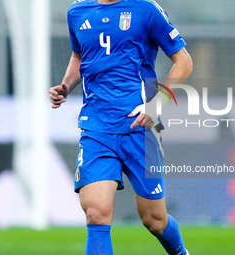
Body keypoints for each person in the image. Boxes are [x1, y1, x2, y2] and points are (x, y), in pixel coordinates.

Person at [49, 0, 193, 254]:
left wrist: (158, 104)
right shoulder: (77, 11)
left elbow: (183, 61)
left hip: (141, 128)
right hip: (96, 130)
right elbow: (78, 56)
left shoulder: (146, 9)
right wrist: (65, 87)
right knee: (96, 214)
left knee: (154, 220)